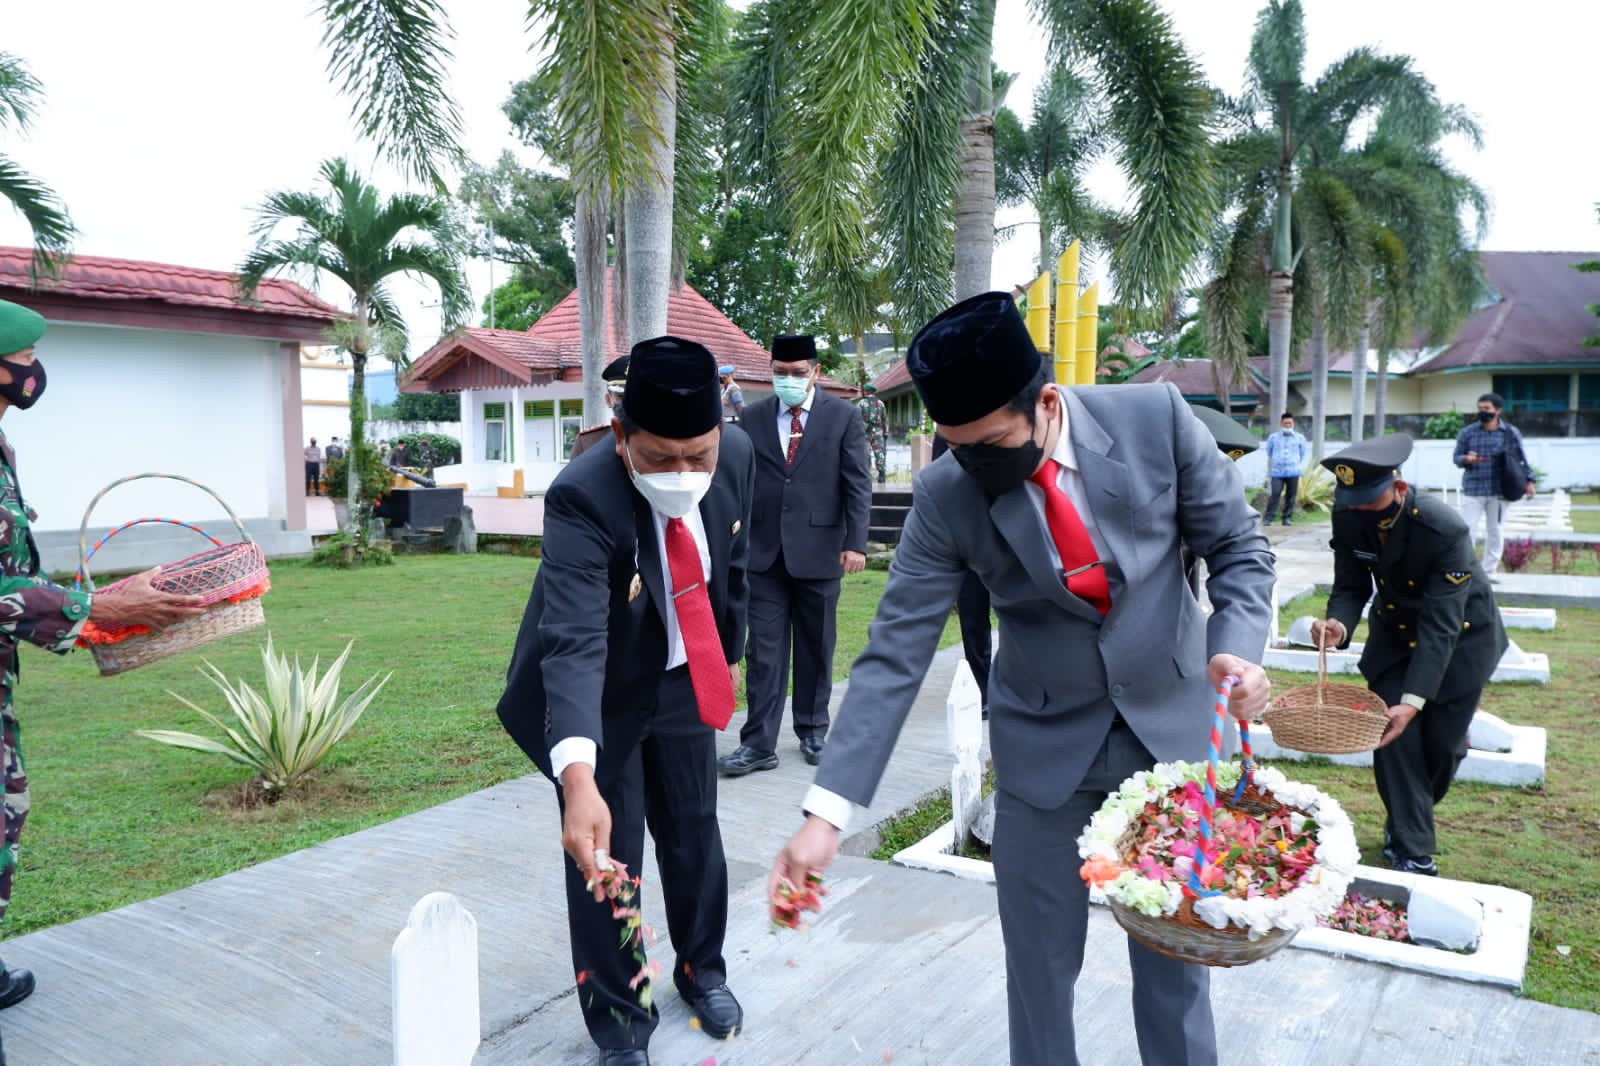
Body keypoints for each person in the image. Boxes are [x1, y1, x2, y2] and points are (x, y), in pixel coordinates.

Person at [767, 292, 1275, 1066]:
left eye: (991, 443)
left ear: (1045, 401)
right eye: (956, 447)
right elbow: (897, 649)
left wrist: (1239, 649)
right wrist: (827, 813)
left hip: (1171, 737)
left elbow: (1239, 549)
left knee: (1175, 972)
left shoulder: (1157, 421)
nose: (976, 464)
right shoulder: (949, 492)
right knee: (1038, 976)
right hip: (1043, 755)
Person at [497, 336, 754, 1066]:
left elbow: (733, 562)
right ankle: (621, 1021)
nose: (682, 473)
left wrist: (719, 657)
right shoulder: (583, 494)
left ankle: (703, 971)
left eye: (696, 455)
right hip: (600, 696)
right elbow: (574, 640)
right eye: (660, 457)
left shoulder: (736, 460)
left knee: (696, 836)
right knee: (609, 859)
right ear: (619, 435)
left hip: (681, 674)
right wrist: (577, 777)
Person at [0, 300, 206, 1064]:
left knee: (6, 815)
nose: (34, 372)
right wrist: (94, 607)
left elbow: (14, 573)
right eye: (25, 358)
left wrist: (94, 611)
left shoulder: (3, 449)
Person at [1310, 435, 1508, 877]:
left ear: (1398, 488)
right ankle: (1411, 848)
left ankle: (1407, 817)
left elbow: (1443, 623)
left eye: (1370, 502)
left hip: (1462, 643)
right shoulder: (1350, 515)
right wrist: (1339, 625)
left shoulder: (1443, 528)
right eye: (1353, 502)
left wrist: (1414, 700)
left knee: (1443, 750)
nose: (1361, 510)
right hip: (1395, 641)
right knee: (1395, 739)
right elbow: (1350, 584)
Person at [718, 335, 872, 775]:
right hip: (762, 555)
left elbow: (857, 483)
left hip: (821, 552)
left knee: (816, 647)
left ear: (816, 372)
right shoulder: (753, 416)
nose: (788, 379)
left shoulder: (843, 417)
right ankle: (758, 744)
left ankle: (813, 731)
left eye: (797, 372)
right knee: (763, 653)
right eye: (780, 372)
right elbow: (739, 478)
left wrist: (855, 542)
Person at [931, 432, 992, 714]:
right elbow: (940, 486)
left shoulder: (1012, 419)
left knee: (1021, 619)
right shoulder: (948, 429)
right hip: (967, 540)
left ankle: (1015, 687)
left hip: (1012, 535)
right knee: (973, 619)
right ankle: (983, 691)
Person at [1452, 392, 1535, 577]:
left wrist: (1530, 481)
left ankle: (1489, 572)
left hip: (1499, 491)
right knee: (1467, 530)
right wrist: (1466, 459)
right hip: (1473, 490)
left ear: (1498, 410)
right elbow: (1456, 457)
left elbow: (1521, 459)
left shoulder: (1510, 433)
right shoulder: (1468, 433)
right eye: (1480, 408)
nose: (1483, 412)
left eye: (1487, 409)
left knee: (1495, 531)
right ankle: (1468, 570)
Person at [570, 355, 631, 461]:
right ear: (608, 400)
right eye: (620, 397)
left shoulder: (662, 440)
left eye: (635, 396)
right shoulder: (588, 442)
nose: (627, 402)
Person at [1261, 412, 1307, 526]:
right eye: (1285, 423)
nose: (1288, 425)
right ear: (1281, 423)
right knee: (1275, 494)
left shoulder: (1300, 438)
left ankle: (1286, 518)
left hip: (1293, 471)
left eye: (1290, 423)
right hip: (1277, 472)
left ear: (1293, 424)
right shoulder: (1273, 437)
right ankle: (1268, 518)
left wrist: (1294, 462)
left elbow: (1302, 453)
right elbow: (1269, 452)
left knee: (1291, 496)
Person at [855, 382, 889, 485]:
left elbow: (856, 418)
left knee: (865, 453)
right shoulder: (881, 403)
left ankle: (866, 475)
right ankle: (881, 475)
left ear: (867, 391)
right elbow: (885, 419)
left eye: (864, 391)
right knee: (879, 453)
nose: (863, 392)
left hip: (864, 432)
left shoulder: (861, 403)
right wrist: (886, 432)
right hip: (878, 432)